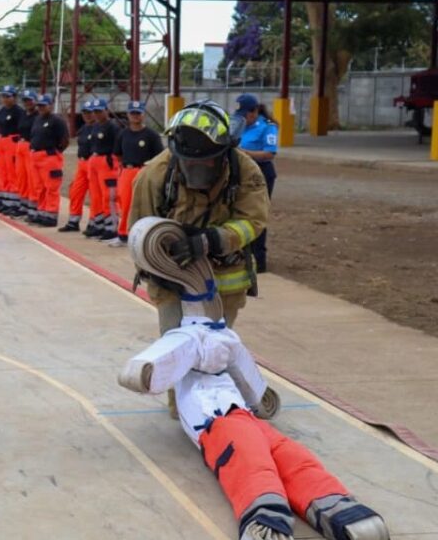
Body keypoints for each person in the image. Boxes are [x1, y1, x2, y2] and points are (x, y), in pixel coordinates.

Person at [119, 216, 388, 540]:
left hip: (240, 413)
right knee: (247, 459)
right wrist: (144, 372)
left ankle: (337, 506)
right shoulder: (188, 339)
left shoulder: (223, 337)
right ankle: (264, 519)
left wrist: (260, 399)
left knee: (288, 454)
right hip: (212, 417)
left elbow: (243, 370)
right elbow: (152, 364)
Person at [129, 99, 270, 420]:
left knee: (212, 350)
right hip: (172, 280)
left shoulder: (246, 171)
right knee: (177, 347)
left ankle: (214, 406)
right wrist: (157, 268)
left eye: (206, 163)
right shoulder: (155, 175)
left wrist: (211, 240)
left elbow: (254, 221)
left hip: (226, 279)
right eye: (190, 164)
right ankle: (186, 412)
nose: (198, 170)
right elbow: (139, 229)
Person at [107, 101, 163, 247]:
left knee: (144, 203)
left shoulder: (151, 135)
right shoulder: (123, 133)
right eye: (133, 113)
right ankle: (123, 234)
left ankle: (144, 235)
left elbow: (159, 157)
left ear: (143, 115)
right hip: (127, 171)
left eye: (138, 113)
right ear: (128, 115)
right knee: (125, 203)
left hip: (144, 171)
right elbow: (118, 154)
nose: (135, 116)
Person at [236, 93, 278, 273]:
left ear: (254, 112)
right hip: (241, 172)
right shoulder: (238, 124)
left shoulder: (267, 127)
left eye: (247, 113)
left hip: (260, 174)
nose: (244, 117)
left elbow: (270, 153)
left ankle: (258, 260)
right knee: (239, 213)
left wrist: (242, 153)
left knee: (257, 214)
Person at [28, 94, 69, 227]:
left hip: (50, 157)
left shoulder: (57, 121)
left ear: (50, 105)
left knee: (51, 187)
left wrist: (56, 152)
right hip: (36, 157)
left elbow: (65, 140)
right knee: (39, 187)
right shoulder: (38, 119)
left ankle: (51, 215)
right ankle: (42, 212)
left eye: (43, 106)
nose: (40, 108)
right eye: (39, 106)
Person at [84, 99, 121, 240]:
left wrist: (113, 160)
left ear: (106, 110)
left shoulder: (113, 127)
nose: (97, 114)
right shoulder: (96, 126)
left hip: (107, 161)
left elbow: (118, 144)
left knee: (108, 196)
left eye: (99, 111)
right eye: (95, 112)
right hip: (94, 160)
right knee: (96, 195)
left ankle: (112, 227)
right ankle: (99, 225)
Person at [58, 100, 96, 233]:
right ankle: (74, 221)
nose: (88, 115)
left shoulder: (100, 127)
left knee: (95, 194)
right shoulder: (84, 129)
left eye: (90, 113)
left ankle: (94, 222)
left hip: (94, 164)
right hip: (82, 163)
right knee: (75, 191)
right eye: (85, 113)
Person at [0, 86, 23, 214]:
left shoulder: (18, 112)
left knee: (13, 172)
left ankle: (15, 203)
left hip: (12, 141)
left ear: (14, 97)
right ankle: (6, 201)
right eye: (3, 96)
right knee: (3, 171)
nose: (5, 99)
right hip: (2, 141)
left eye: (8, 96)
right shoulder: (2, 111)